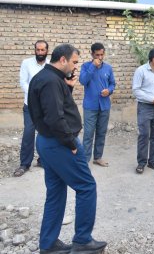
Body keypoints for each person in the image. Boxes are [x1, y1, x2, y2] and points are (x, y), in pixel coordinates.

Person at [28, 43, 106, 254]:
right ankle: (82, 241)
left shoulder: (46, 78)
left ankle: (48, 244)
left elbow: (52, 108)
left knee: (56, 192)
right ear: (62, 59)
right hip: (59, 143)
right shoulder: (51, 81)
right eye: (74, 61)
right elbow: (54, 117)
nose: (75, 66)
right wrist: (71, 143)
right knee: (86, 187)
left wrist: (67, 88)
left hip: (47, 141)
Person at [14, 40, 49, 177]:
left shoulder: (51, 64)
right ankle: (25, 163)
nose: (40, 53)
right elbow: (23, 82)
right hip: (30, 105)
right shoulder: (26, 63)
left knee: (45, 133)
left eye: (42, 50)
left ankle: (42, 160)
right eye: (37, 50)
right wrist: (35, 94)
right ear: (34, 50)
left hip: (45, 106)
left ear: (47, 50)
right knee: (28, 133)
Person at [79, 42, 116, 167]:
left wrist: (109, 90)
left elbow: (112, 84)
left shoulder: (108, 68)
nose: (100, 57)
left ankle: (98, 157)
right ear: (92, 54)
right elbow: (83, 81)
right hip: (90, 106)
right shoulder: (85, 66)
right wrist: (92, 67)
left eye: (102, 54)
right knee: (88, 134)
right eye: (97, 55)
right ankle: (85, 161)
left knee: (101, 132)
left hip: (104, 106)